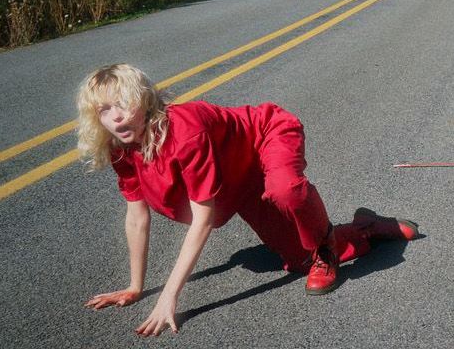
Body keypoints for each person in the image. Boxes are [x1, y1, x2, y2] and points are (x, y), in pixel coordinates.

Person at [75, 63, 417, 336]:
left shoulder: (185, 132)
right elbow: (137, 217)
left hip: (266, 136)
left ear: (145, 100)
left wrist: (169, 298)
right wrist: (136, 286)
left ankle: (327, 245)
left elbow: (203, 220)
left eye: (123, 103)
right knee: (301, 260)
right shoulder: (122, 150)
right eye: (104, 110)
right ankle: (366, 227)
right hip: (239, 181)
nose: (115, 116)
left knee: (286, 189)